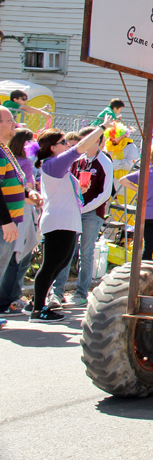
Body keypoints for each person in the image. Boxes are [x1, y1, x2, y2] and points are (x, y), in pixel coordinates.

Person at [30, 118, 111, 323]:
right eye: (64, 142)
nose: (68, 145)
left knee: (59, 264)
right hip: (59, 222)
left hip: (66, 221)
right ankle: (38, 308)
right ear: (53, 148)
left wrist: (80, 191)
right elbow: (81, 147)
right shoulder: (54, 163)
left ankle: (40, 304)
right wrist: (101, 128)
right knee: (51, 265)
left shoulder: (57, 167)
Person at [48, 125, 114, 308]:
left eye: (90, 140)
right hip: (74, 211)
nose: (84, 144)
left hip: (92, 214)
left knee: (86, 252)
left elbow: (105, 194)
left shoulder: (105, 162)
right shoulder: (78, 160)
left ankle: (81, 293)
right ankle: (57, 293)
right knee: (67, 252)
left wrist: (83, 208)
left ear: (99, 142)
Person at [0, 112, 43, 327]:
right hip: (4, 222)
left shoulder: (5, 149)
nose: (14, 124)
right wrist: (5, 221)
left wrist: (28, 194)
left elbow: (14, 181)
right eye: (9, 121)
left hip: (10, 220)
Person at [120, 145, 153, 261]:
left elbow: (123, 180)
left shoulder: (144, 172)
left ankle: (143, 272)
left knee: (148, 247)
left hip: (146, 214)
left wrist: (139, 190)